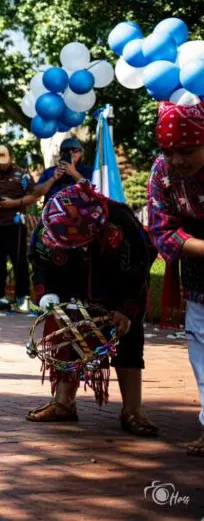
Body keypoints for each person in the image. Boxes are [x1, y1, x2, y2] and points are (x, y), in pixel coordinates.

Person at [25, 181, 158, 436]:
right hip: (70, 287)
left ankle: (133, 410)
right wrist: (45, 292)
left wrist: (125, 309)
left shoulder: (121, 220)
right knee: (69, 338)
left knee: (128, 342)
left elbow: (139, 266)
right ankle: (64, 403)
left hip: (117, 286)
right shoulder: (53, 217)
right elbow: (39, 260)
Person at [146, 101, 204, 457]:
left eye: (187, 150)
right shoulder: (160, 173)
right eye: (169, 152)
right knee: (202, 351)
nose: (178, 160)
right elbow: (162, 231)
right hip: (197, 270)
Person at [0, 145, 36, 311]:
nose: (1, 165)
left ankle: (22, 298)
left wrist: (13, 203)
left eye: (4, 161)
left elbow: (33, 195)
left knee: (19, 263)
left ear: (11, 157)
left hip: (14, 225)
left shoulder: (23, 175)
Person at [34, 138, 93, 202]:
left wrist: (74, 173)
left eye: (74, 150)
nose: (70, 153)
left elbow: (94, 192)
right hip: (53, 210)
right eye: (66, 151)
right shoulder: (50, 172)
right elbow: (35, 193)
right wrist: (53, 179)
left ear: (81, 153)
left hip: (79, 210)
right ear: (60, 154)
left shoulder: (89, 171)